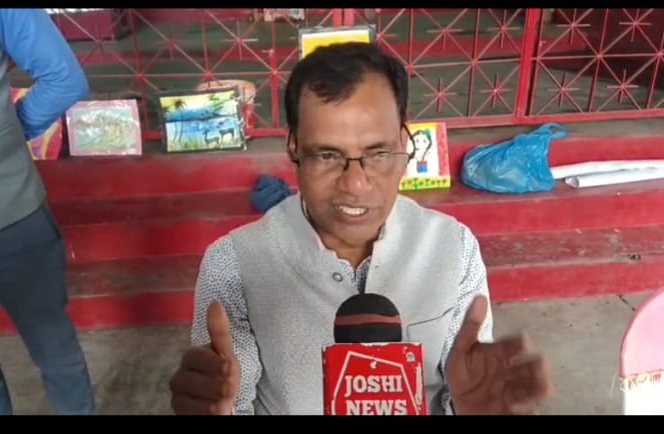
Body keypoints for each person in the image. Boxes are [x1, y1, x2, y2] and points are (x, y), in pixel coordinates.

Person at [169, 41, 554, 415]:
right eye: (326, 155)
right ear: (294, 149)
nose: (355, 185)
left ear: (405, 144)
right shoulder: (233, 264)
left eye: (379, 153)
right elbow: (226, 397)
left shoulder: (454, 247)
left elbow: (471, 384)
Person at [0, 9, 95, 415]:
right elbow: (65, 79)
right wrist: (7, 136)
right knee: (55, 352)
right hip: (8, 210)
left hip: (8, 210)